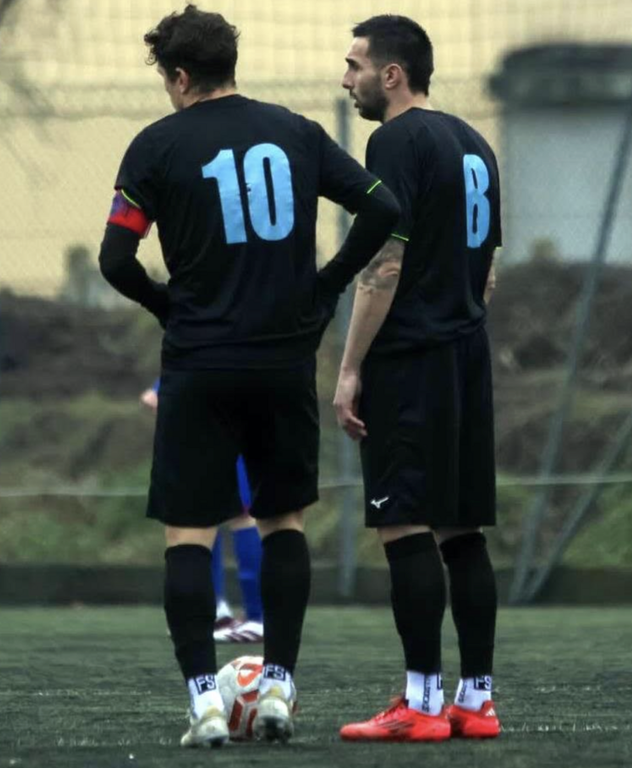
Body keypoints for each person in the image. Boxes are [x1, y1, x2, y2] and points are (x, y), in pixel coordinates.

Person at [99, 5, 400, 748]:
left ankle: (205, 702)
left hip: (199, 363)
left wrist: (168, 306)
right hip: (282, 360)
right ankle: (277, 691)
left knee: (188, 534)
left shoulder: (155, 146)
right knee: (282, 521)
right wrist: (324, 287)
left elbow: (115, 260)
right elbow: (382, 207)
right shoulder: (296, 132)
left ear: (179, 77)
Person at [332, 15, 502, 742]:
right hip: (467, 352)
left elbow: (386, 263)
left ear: (392, 74)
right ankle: (476, 701)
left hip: (411, 358)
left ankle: (422, 705)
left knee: (403, 523)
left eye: (355, 65)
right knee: (462, 530)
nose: (346, 79)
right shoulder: (475, 143)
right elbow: (488, 268)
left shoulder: (395, 141)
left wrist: (349, 367)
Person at [140, 380, 264, 643]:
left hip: (218, 425)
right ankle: (232, 613)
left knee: (225, 516)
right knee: (225, 515)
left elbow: (153, 399)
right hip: (232, 421)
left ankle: (248, 616)